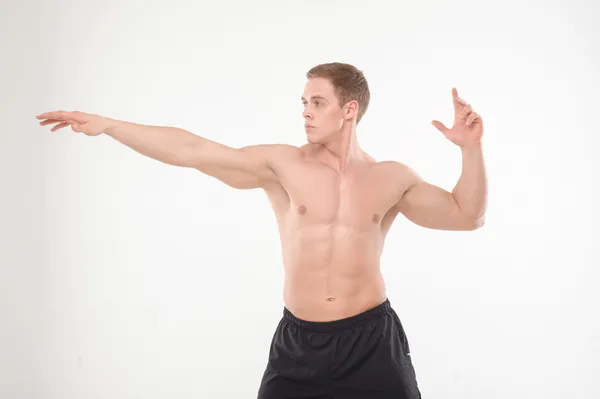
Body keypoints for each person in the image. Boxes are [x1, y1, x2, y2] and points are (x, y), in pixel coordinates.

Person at [36, 62, 487, 398]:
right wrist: (111, 126)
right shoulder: (282, 165)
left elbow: (467, 215)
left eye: (317, 102)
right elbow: (193, 149)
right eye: (303, 103)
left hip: (371, 341)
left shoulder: (390, 177)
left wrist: (471, 150)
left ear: (349, 109)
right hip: (300, 344)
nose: (306, 112)